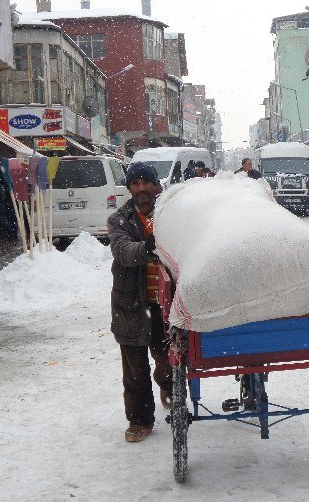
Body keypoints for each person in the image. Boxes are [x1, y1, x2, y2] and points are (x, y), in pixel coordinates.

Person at [107, 161, 173, 443]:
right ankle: (139, 420)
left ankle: (167, 385)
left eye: (147, 182)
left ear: (156, 186)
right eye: (136, 183)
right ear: (130, 188)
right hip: (131, 304)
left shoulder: (171, 214)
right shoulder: (118, 220)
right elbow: (122, 251)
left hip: (165, 304)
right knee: (134, 369)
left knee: (167, 359)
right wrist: (146, 248)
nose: (142, 188)